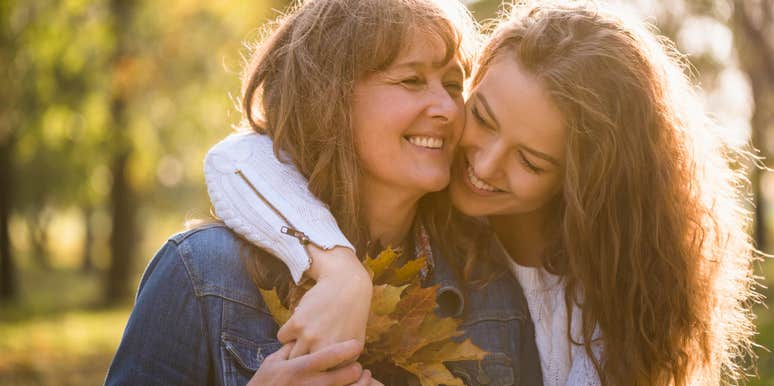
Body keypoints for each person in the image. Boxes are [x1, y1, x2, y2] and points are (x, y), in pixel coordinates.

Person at [205, 1, 760, 385]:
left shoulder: (606, 296)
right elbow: (239, 158)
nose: (483, 164)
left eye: (531, 160)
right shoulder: (431, 201)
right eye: (485, 118)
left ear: (585, 185)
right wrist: (340, 269)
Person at [106, 0, 543, 385]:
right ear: (327, 100)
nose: (448, 109)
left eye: (452, 85)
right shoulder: (202, 274)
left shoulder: (488, 287)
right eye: (412, 81)